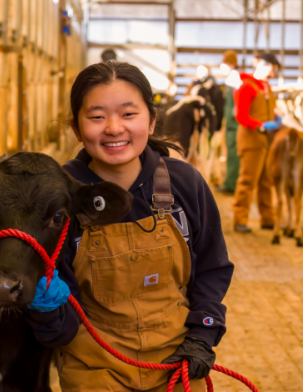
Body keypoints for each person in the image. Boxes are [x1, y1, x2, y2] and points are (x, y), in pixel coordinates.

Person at [26, 61, 234, 392]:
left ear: (151, 121)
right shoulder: (58, 199)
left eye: (128, 114)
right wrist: (46, 311)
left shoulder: (184, 183)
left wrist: (203, 334)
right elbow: (62, 329)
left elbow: (213, 268)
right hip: (93, 367)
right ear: (76, 128)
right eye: (97, 116)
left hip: (175, 361)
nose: (113, 128)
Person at [233, 53, 281, 233]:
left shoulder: (265, 86)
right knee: (248, 180)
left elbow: (264, 109)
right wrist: (261, 125)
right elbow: (241, 116)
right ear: (264, 65)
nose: (273, 75)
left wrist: (275, 117)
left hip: (267, 140)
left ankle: (268, 218)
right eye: (272, 70)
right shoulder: (247, 86)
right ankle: (240, 219)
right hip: (251, 139)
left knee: (266, 181)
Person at [216, 50, 242, 194]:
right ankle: (230, 181)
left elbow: (237, 102)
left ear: (229, 63)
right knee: (231, 151)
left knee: (233, 152)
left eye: (223, 63)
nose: (221, 66)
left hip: (234, 123)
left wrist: (233, 119)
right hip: (231, 123)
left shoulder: (234, 77)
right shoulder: (231, 78)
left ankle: (231, 184)